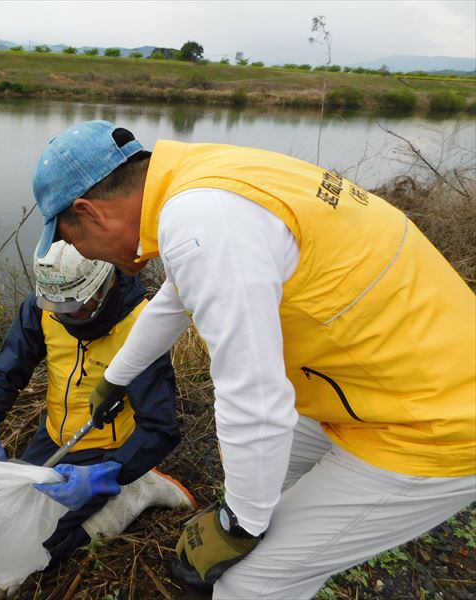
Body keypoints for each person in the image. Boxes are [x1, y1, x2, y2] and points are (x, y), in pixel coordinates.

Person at [31, 120, 476, 598]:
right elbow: (176, 296)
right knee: (266, 487)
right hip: (374, 376)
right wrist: (117, 378)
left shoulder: (204, 225)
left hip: (433, 418)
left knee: (251, 583)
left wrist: (240, 527)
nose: (87, 254)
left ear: (89, 212)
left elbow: (254, 396)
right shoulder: (197, 181)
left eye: (75, 242)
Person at [0, 240, 196, 568]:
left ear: (106, 284)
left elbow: (161, 427)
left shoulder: (142, 326)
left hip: (107, 452)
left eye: (77, 307)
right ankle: (125, 483)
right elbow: (7, 369)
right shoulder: (43, 308)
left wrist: (108, 472)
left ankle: (135, 489)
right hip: (54, 438)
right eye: (56, 306)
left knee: (44, 551)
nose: (65, 316)